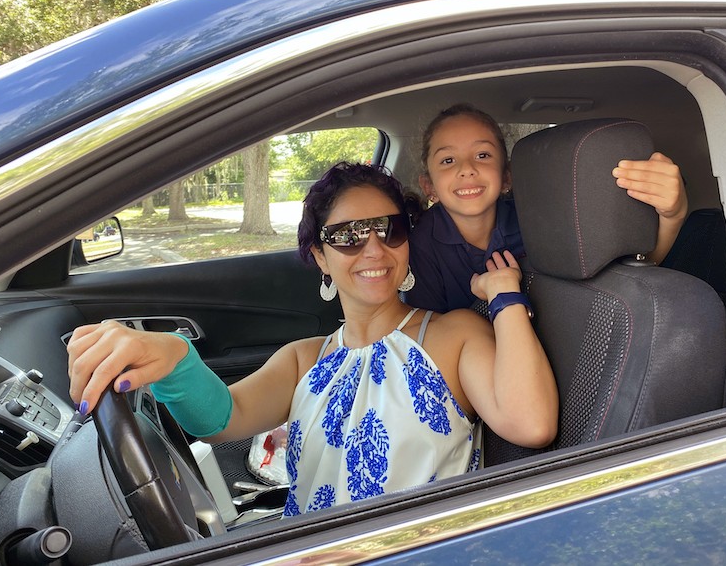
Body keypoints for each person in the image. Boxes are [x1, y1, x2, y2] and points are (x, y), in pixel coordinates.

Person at [66, 162, 558, 517]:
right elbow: (220, 420)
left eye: (388, 229)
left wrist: (505, 297)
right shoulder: (304, 359)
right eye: (348, 235)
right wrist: (176, 358)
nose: (373, 248)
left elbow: (531, 425)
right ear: (320, 256)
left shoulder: (454, 334)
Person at [406, 103, 689, 313]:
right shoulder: (421, 244)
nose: (467, 168)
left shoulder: (538, 217)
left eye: (482, 155)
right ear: (429, 186)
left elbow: (630, 275)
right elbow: (428, 332)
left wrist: (673, 215)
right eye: (448, 160)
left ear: (507, 176)